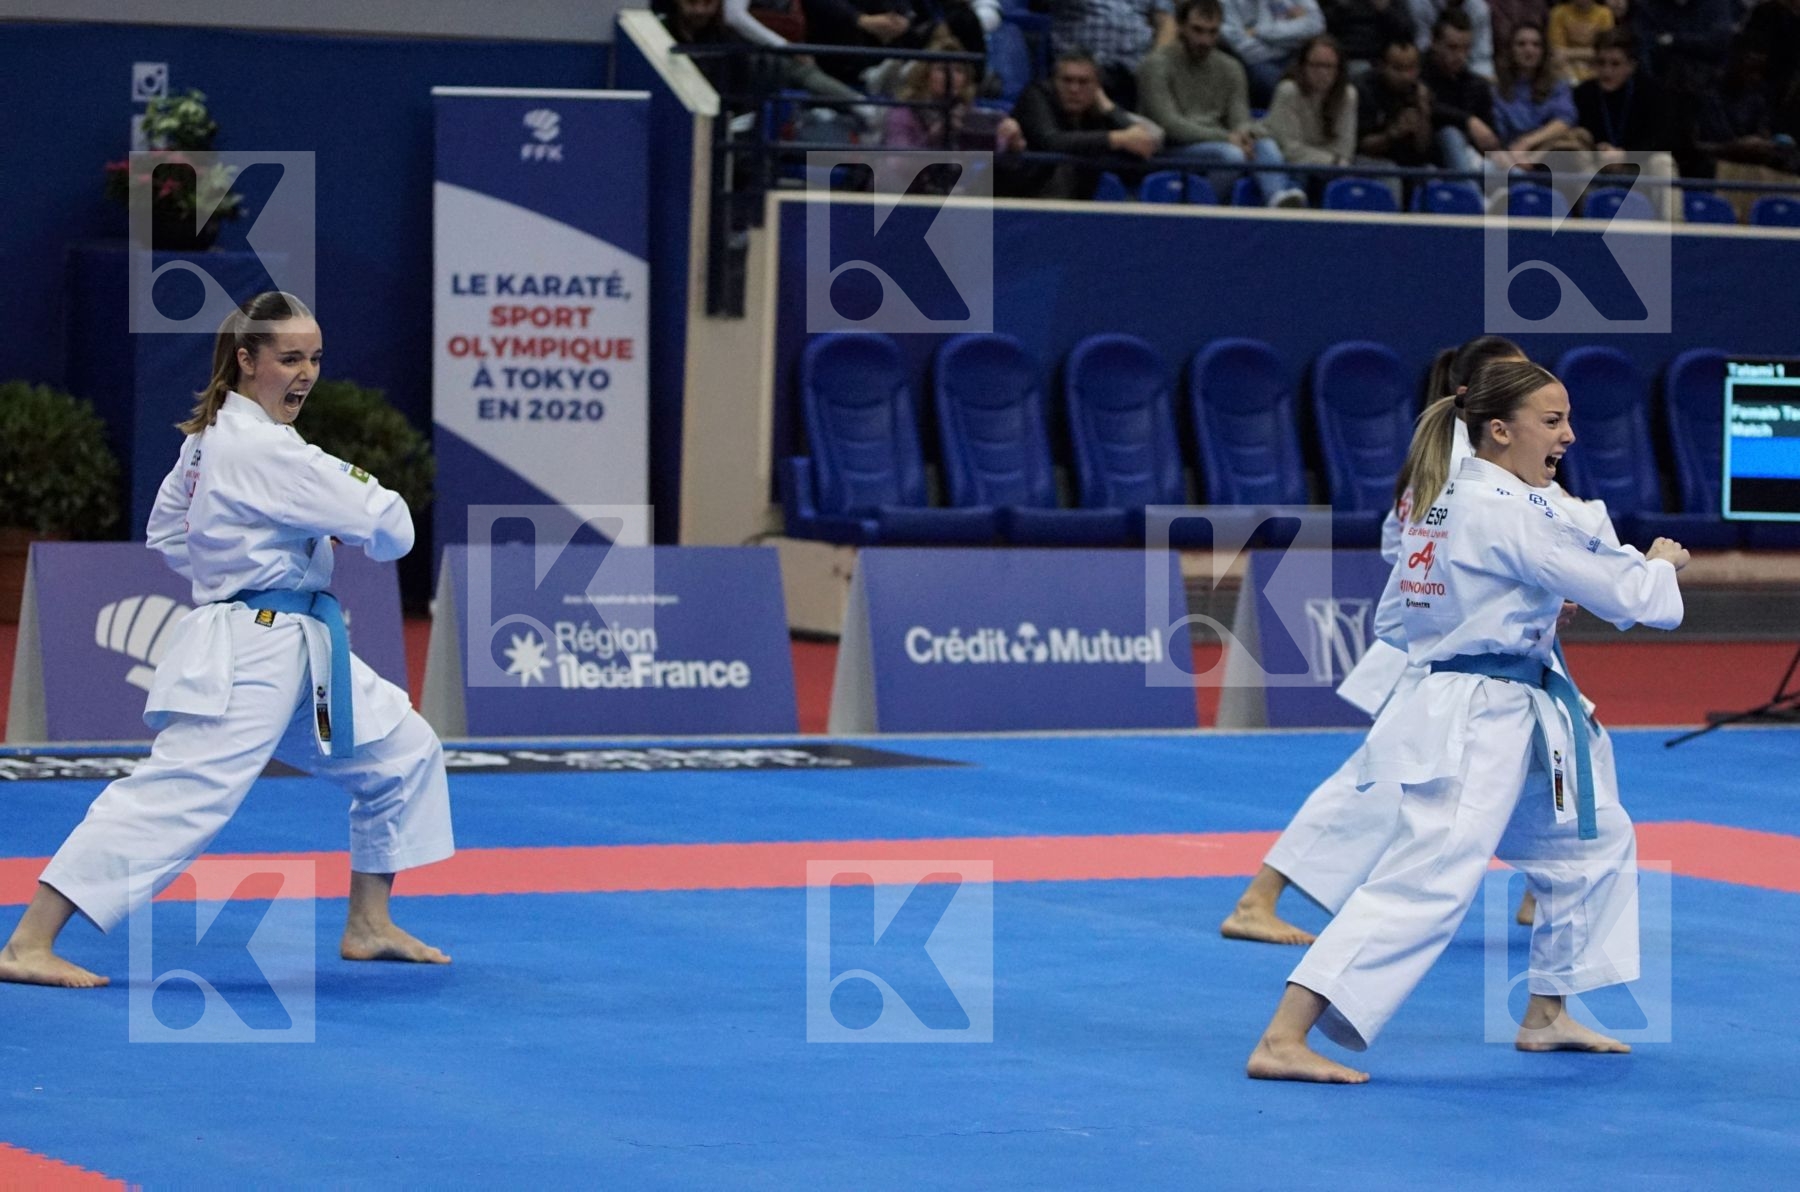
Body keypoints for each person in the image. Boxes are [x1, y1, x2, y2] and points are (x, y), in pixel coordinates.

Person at [1245, 358, 1688, 1082]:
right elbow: (1631, 596)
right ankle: (1283, 1036)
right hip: (1480, 717)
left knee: (1594, 843)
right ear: (1499, 430)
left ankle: (1546, 1012)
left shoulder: (1452, 501)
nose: (1569, 435)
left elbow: (1398, 615)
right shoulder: (1505, 510)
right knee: (1430, 878)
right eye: (1553, 422)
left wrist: (1510, 607)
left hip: (1506, 708)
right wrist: (1661, 565)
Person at [0, 291, 455, 988]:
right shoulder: (267, 450)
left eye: (316, 359)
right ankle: (30, 941)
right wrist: (255, 570)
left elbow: (166, 532)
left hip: (299, 643)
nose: (305, 373)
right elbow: (395, 525)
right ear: (247, 361)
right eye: (289, 359)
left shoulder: (209, 441)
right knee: (182, 792)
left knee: (402, 751)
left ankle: (368, 923)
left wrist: (234, 559)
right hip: (255, 647)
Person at [1223, 336, 1534, 946]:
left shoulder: (1486, 458)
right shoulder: (1456, 464)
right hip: (1448, 650)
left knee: (1561, 766)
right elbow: (1412, 552)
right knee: (1374, 785)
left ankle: (1550, 889)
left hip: (1497, 648)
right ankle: (1259, 897)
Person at [1138, 0, 1309, 204]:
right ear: (1181, 26)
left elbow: (1239, 117)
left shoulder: (1231, 67)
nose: (1205, 40)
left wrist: (1244, 132)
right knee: (1231, 155)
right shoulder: (1155, 65)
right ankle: (1205, 210)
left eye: (1212, 32)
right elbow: (1169, 124)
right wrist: (1227, 137)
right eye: (1198, 30)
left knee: (1266, 144)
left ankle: (1277, 199)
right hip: (1170, 147)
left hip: (1218, 140)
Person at [1008, 50, 1165, 198]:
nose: (1074, 89)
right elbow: (1052, 141)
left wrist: (1109, 108)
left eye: (1083, 82)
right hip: (1020, 201)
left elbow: (1150, 138)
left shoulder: (1097, 109)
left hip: (1075, 205)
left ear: (1097, 88)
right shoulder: (1036, 95)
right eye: (1067, 80)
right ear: (1053, 82)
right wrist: (1117, 138)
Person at [884, 34, 1028, 150]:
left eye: (958, 70)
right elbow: (898, 164)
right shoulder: (905, 112)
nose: (950, 76)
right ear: (924, 74)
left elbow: (994, 159)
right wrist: (935, 135)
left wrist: (1012, 140)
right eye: (941, 69)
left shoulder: (966, 114)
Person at [1260, 33, 1361, 188]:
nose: (1322, 73)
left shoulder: (1348, 95)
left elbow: (1344, 151)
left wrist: (1333, 162)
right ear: (1303, 66)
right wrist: (1332, 161)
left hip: (1327, 167)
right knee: (1299, 172)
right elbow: (1290, 150)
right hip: (1289, 163)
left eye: (1328, 66)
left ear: (1339, 70)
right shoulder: (1288, 91)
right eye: (1315, 65)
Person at [1492, 22, 1592, 155]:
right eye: (1521, 44)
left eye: (1536, 45)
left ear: (1544, 51)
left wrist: (1527, 142)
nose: (1529, 50)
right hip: (1510, 152)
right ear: (1510, 49)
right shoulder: (1496, 88)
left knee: (1577, 139)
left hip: (1547, 149)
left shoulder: (1558, 86)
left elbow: (1565, 119)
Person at [1222, 0, 1330, 105]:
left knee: (1332, 78)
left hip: (1298, 54)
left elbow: (1316, 25)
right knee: (1286, 90)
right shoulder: (1226, 2)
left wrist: (1259, 32)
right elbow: (1245, 48)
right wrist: (1292, 38)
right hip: (1261, 62)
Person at [1548, 0, 1615, 82]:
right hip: (1567, 67)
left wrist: (1570, 54)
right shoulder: (1559, 13)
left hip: (1595, 65)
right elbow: (1557, 51)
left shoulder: (1604, 14)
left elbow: (1604, 50)